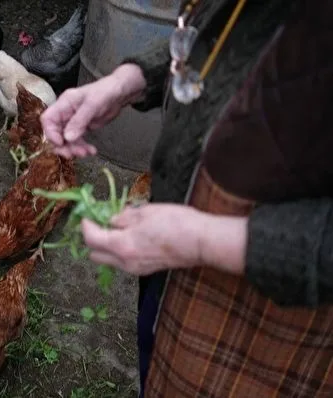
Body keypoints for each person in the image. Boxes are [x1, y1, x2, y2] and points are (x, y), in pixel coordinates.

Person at [41, 1, 333, 397]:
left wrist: (200, 239)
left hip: (268, 328)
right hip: (173, 264)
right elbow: (222, 34)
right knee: (155, 354)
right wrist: (130, 79)